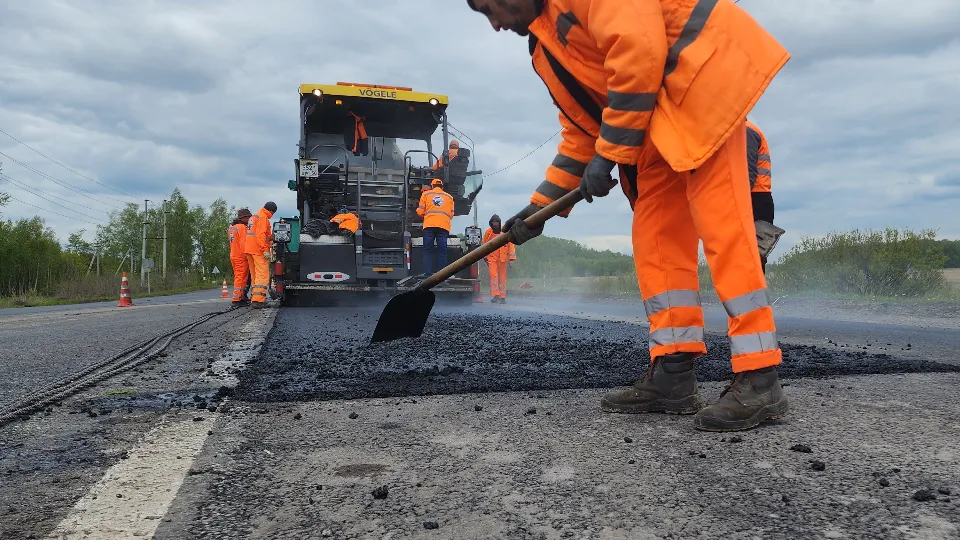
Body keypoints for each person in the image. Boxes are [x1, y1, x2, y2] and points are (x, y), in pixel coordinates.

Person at [467, 0, 791, 432]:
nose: (494, 25)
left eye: (490, 8)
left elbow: (639, 50)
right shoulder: (544, 51)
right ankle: (673, 374)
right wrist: (539, 206)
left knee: (725, 232)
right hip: (653, 129)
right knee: (655, 241)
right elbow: (582, 130)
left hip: (701, 87)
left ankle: (759, 377)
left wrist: (610, 153)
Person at [746, 119, 775, 274]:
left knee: (754, 255)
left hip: (754, 199)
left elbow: (747, 172)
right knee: (754, 255)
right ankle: (755, 296)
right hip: (759, 199)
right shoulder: (749, 130)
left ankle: (754, 296)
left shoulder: (746, 131)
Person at [416, 178, 454, 276]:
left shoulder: (426, 194)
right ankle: (441, 275)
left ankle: (428, 274)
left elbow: (420, 211)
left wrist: (427, 216)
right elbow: (451, 214)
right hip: (443, 227)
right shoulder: (449, 197)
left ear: (432, 186)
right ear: (442, 186)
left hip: (429, 226)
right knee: (442, 251)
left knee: (428, 250)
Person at [244, 201, 276, 309]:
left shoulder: (254, 216)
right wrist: (265, 250)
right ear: (271, 211)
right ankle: (258, 301)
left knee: (255, 276)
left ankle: (255, 298)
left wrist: (271, 237)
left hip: (249, 249)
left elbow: (259, 234)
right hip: (258, 250)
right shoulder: (263, 217)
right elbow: (260, 235)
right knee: (262, 275)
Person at [482, 214, 517, 303]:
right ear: (491, 223)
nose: (495, 224)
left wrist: (511, 259)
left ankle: (502, 297)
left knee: (502, 278)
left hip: (502, 259)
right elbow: (484, 245)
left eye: (496, 222)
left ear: (499, 222)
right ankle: (495, 295)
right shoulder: (488, 233)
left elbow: (511, 245)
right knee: (493, 276)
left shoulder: (505, 231)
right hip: (492, 259)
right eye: (493, 222)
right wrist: (485, 257)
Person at [228, 208, 253, 304]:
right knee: (241, 278)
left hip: (234, 255)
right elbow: (243, 243)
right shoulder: (242, 227)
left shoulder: (232, 227)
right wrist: (248, 255)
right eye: (249, 217)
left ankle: (241, 296)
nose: (250, 219)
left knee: (239, 277)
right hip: (241, 256)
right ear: (244, 217)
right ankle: (237, 299)